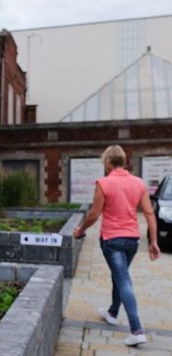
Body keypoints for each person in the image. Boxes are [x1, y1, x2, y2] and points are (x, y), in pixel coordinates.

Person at [73, 145, 161, 347]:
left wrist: (80, 230)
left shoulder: (104, 183)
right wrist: (154, 241)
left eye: (104, 162)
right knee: (119, 275)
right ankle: (113, 312)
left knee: (123, 279)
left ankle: (137, 330)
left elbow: (95, 214)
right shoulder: (138, 183)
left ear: (109, 162)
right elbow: (149, 213)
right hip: (132, 240)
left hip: (112, 240)